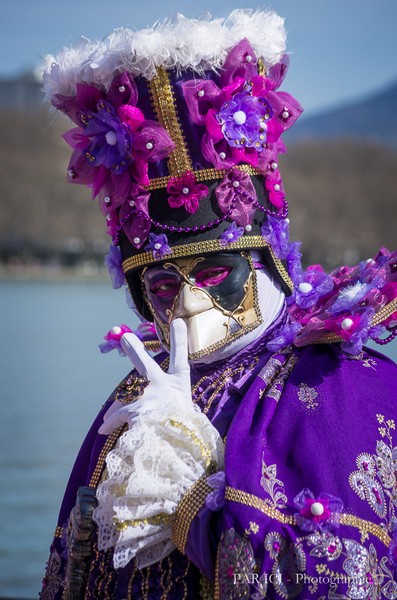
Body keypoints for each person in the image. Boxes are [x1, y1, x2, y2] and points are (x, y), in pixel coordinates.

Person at [40, 9, 397, 599]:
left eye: (214, 273)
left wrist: (193, 508)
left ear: (269, 263)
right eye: (160, 286)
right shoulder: (140, 394)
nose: (187, 302)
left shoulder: (343, 387)